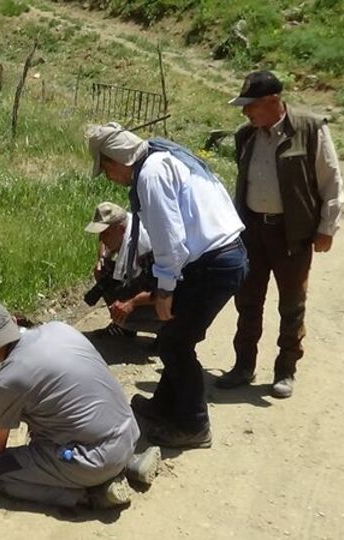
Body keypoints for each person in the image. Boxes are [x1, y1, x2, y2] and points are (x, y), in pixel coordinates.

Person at [86, 122, 248, 448]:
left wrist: (164, 291)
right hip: (220, 257)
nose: (109, 179)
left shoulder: (150, 175)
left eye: (106, 171)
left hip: (211, 264)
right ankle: (162, 406)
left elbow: (170, 243)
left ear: (116, 162)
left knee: (175, 344)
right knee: (175, 337)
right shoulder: (166, 157)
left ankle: (193, 426)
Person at [0, 297, 159, 509]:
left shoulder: (8, 380)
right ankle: (129, 465)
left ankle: (92, 494)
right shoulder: (59, 329)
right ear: (12, 320)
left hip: (96, 459)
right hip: (129, 434)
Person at [217, 71, 344, 399]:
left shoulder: (310, 129)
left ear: (274, 101)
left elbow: (331, 181)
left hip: (292, 234)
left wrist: (326, 228)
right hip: (252, 232)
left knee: (291, 305)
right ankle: (243, 366)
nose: (246, 113)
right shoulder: (245, 136)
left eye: (252, 106)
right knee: (248, 302)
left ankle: (286, 370)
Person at [85, 201, 161, 337]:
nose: (101, 238)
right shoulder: (127, 224)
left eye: (105, 233)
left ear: (120, 229)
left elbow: (165, 291)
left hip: (179, 299)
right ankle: (124, 329)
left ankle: (169, 334)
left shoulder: (145, 246)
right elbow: (103, 241)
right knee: (104, 273)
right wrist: (102, 258)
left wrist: (131, 303)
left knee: (125, 313)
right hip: (150, 282)